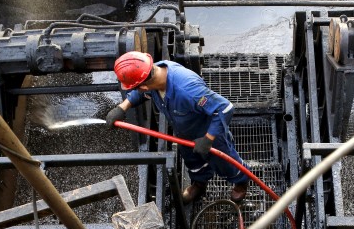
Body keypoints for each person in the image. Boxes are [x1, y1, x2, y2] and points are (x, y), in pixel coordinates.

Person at [105, 51, 250, 204]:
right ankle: (199, 183)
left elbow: (225, 108)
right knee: (193, 162)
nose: (136, 90)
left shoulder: (188, 89)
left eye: (137, 87)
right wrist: (123, 107)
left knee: (225, 162)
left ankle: (240, 182)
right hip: (184, 134)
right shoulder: (154, 74)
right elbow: (139, 93)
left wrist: (208, 138)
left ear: (145, 86)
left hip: (209, 134)